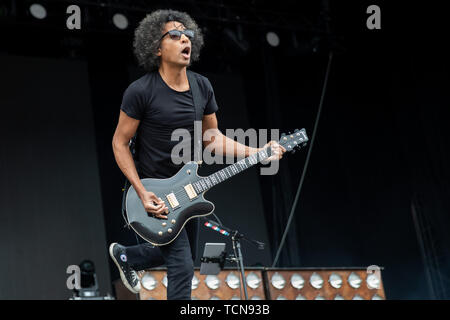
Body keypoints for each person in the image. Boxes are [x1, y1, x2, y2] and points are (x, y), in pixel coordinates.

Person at [109, 9, 285, 300]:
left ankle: (129, 257)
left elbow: (212, 139)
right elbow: (119, 143)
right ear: (156, 46)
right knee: (182, 266)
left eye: (187, 34)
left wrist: (259, 151)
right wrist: (141, 192)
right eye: (174, 35)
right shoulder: (140, 91)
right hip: (153, 192)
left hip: (187, 191)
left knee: (183, 259)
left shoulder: (202, 86)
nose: (184, 39)